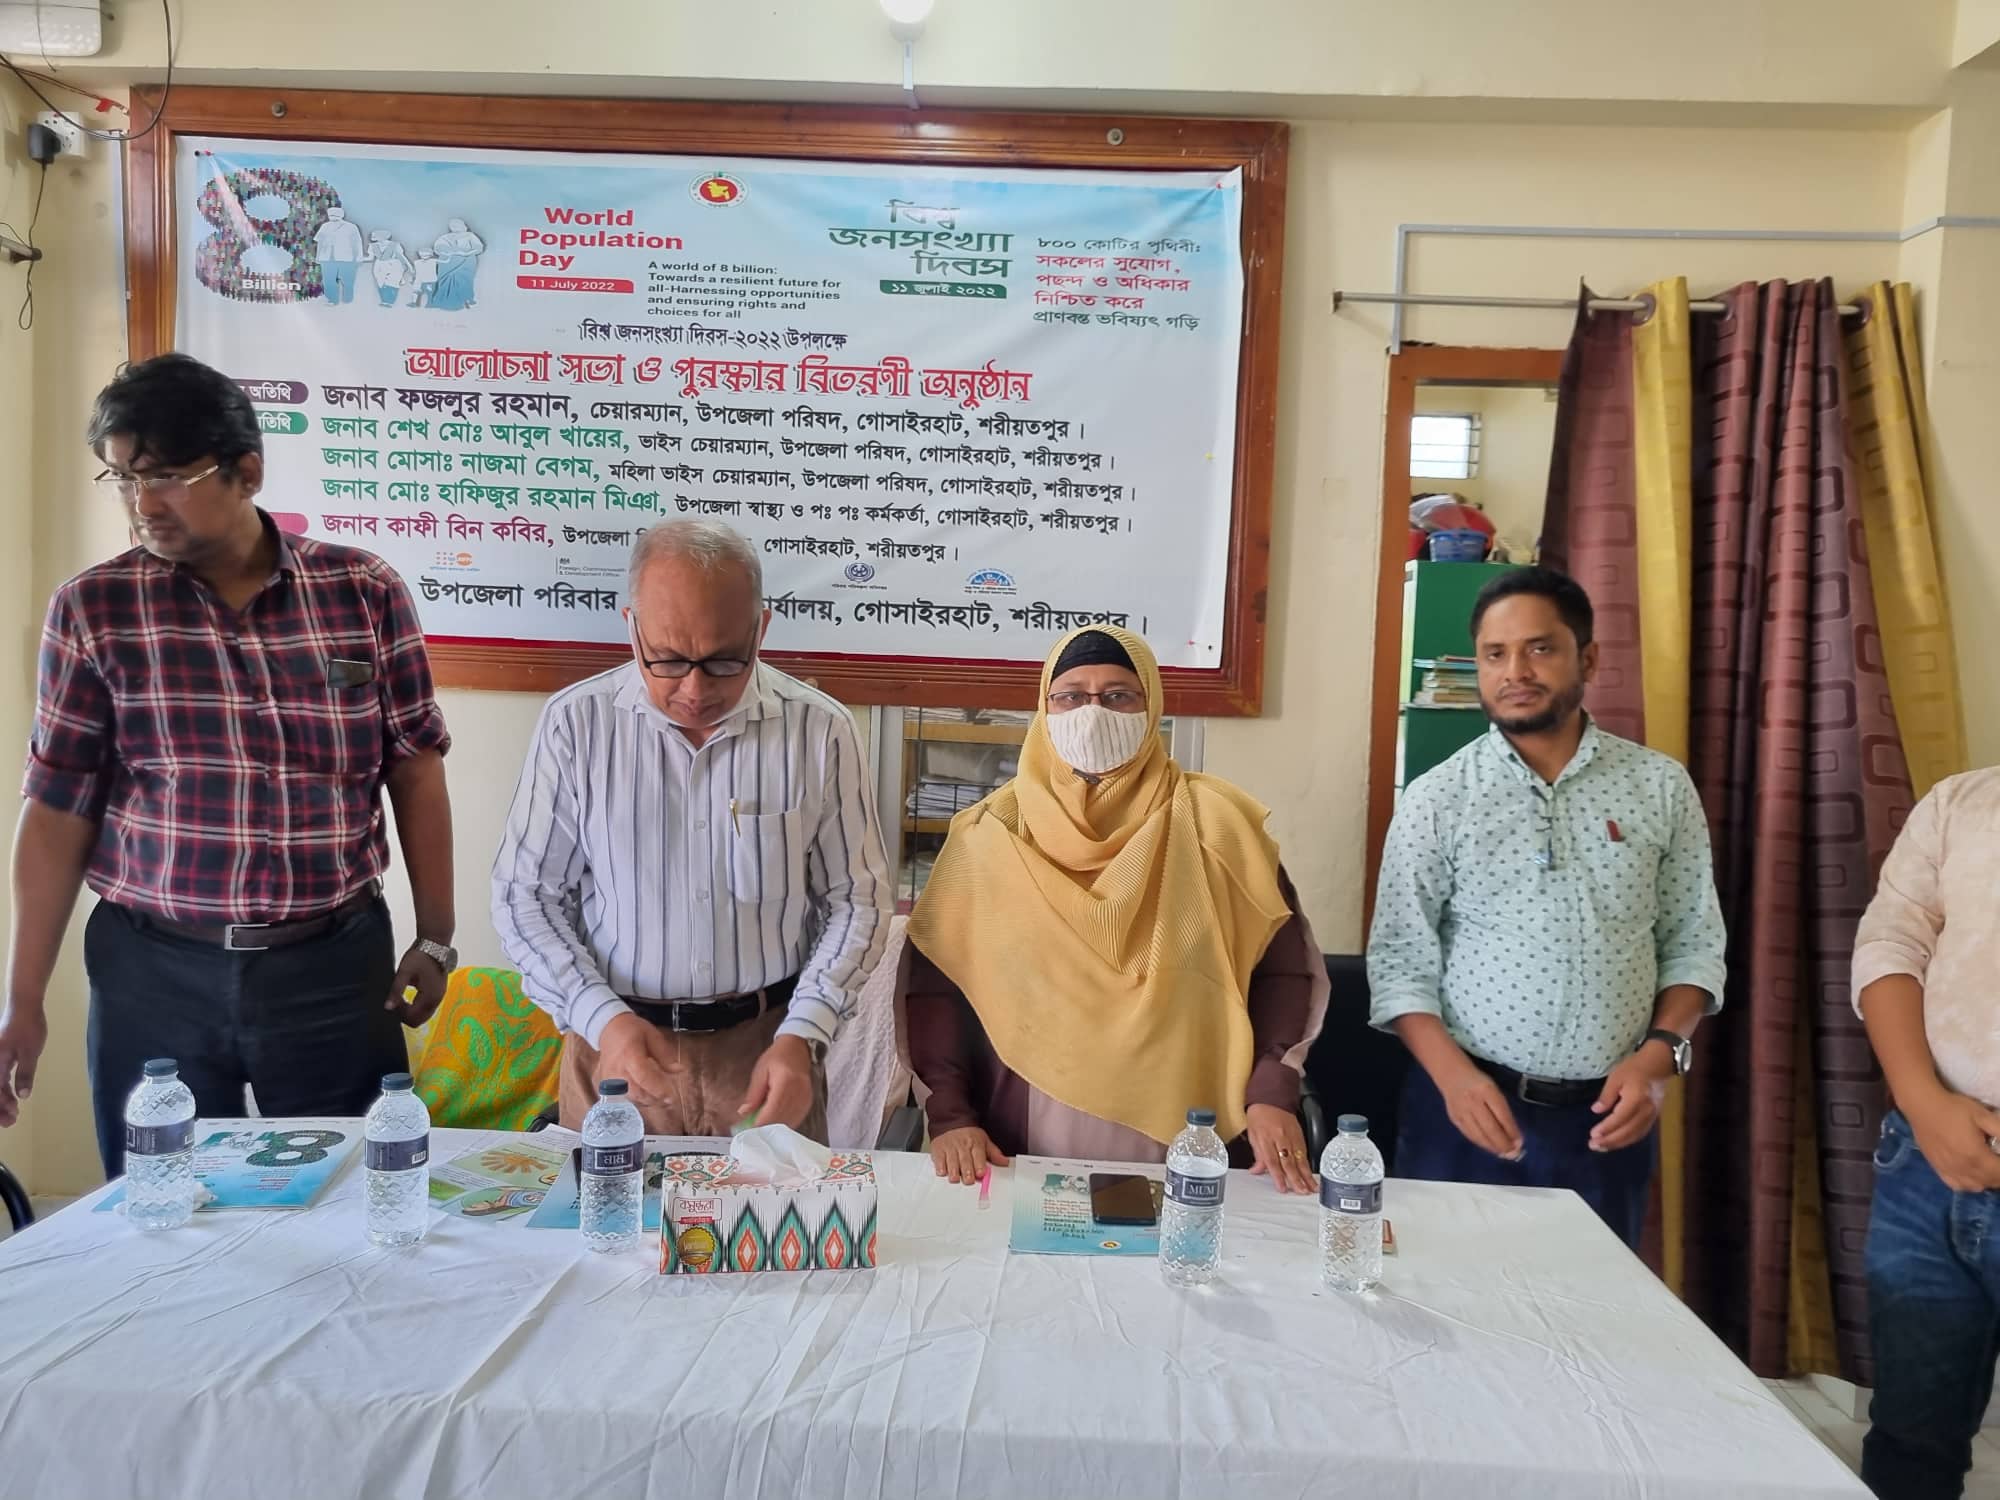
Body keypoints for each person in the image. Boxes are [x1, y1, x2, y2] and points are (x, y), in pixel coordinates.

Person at [0, 354, 457, 1175]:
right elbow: (58, 807)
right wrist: (21, 1001)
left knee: (352, 1198)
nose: (143, 504)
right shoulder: (95, 609)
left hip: (331, 966)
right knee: (160, 1204)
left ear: (247, 472)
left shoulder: (362, 590)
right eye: (122, 478)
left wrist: (438, 936)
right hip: (153, 974)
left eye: (166, 477)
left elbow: (415, 770)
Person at [492, 519, 893, 1142]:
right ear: (632, 627)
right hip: (616, 1052)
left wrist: (806, 1031)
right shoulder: (577, 726)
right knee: (611, 1209)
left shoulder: (819, 731)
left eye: (725, 660)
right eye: (669, 660)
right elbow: (526, 897)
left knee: (775, 1208)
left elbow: (857, 900)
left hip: (767, 1053)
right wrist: (602, 1021)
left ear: (761, 630)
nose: (695, 689)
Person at [1367, 567, 1726, 1248]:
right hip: (1467, 1110)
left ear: (1587, 659)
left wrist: (1659, 1057)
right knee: (1446, 1295)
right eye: (1494, 654)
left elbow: (1694, 945)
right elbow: (1398, 961)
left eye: (1539, 649)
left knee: (1591, 1302)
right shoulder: (1439, 798)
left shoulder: (1659, 787)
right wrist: (1454, 1080)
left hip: (1607, 1117)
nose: (1516, 672)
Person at [905, 626, 1327, 1192]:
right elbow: (939, 990)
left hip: (1191, 1138)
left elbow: (1282, 972)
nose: (1093, 713)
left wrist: (1272, 1091)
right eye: (1071, 696)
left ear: (1151, 707)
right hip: (1022, 1142)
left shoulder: (1219, 828)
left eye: (1118, 695)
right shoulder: (987, 837)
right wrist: (951, 1115)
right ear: (1044, 708)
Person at [1851, 769, 2000, 1500]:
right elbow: (1890, 943)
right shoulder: (1962, 802)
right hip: (1924, 1167)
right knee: (1910, 1438)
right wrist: (1924, 1104)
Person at [429, 218, 484, 312]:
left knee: (463, 280)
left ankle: (465, 299)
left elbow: (479, 247)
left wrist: (465, 253)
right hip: (448, 262)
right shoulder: (445, 237)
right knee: (445, 280)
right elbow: (438, 248)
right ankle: (443, 299)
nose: (455, 227)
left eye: (458, 225)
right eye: (453, 225)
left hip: (465, 261)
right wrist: (450, 251)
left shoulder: (470, 235)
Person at [313, 206, 363, 305]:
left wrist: (359, 257)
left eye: (336, 215)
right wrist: (318, 257)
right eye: (331, 215)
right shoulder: (325, 227)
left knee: (348, 280)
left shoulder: (351, 227)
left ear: (341, 215)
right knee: (328, 280)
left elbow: (357, 243)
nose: (333, 217)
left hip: (346, 258)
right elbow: (320, 242)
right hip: (327, 258)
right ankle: (332, 299)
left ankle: (348, 299)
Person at [366, 231, 413, 308]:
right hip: (379, 265)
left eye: (375, 235)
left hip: (393, 264)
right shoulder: (372, 246)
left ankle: (390, 302)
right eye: (372, 235)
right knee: (380, 283)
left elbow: (402, 256)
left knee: (392, 283)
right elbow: (370, 258)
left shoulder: (395, 245)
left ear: (382, 236)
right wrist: (358, 259)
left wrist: (410, 267)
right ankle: (384, 301)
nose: (372, 237)